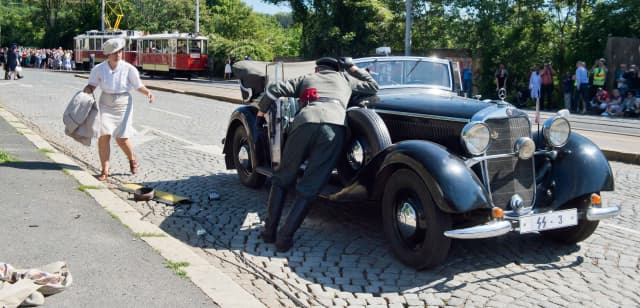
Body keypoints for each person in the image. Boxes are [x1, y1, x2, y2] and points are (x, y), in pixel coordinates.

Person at [257, 57, 378, 252]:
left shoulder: (307, 78)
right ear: (338, 70)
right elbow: (373, 86)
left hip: (305, 122)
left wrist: (261, 112)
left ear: (317, 68)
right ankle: (284, 240)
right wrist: (354, 68)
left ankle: (269, 232)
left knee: (282, 178)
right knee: (310, 187)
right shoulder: (346, 79)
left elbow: (273, 90)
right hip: (334, 127)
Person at [83, 38, 155, 181]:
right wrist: (86, 91)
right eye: (115, 52)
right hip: (105, 102)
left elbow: (137, 85)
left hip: (123, 103)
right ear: (108, 54)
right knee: (103, 136)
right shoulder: (99, 69)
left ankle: (132, 158)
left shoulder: (129, 68)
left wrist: (148, 92)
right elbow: (92, 85)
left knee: (121, 138)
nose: (118, 55)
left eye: (120, 51)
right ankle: (105, 169)